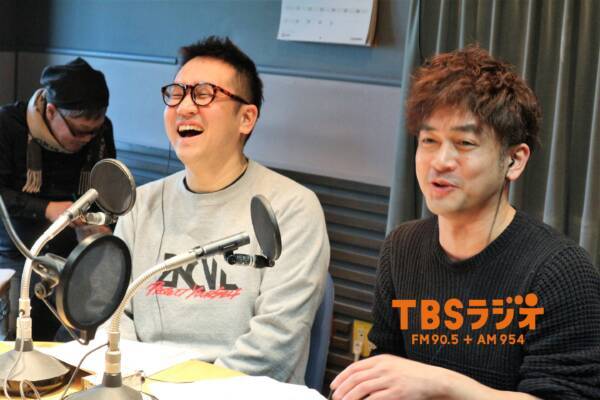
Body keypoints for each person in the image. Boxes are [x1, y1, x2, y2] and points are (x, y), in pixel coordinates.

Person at [330, 47, 600, 399]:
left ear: (514, 160)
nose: (440, 161)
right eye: (429, 140)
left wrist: (442, 385)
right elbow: (386, 366)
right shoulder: (402, 248)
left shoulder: (561, 271)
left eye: (464, 143)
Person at [114, 36, 329, 384]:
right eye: (176, 93)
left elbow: (275, 344)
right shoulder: (140, 205)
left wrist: (184, 393)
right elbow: (112, 318)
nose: (184, 107)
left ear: (246, 118)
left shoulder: (292, 207)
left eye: (204, 94)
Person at [0, 57, 115, 340]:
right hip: (18, 250)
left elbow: (106, 185)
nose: (87, 139)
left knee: (78, 332)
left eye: (94, 131)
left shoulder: (99, 132)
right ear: (51, 111)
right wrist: (47, 208)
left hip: (73, 248)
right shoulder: (8, 124)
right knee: (22, 334)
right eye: (79, 131)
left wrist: (100, 222)